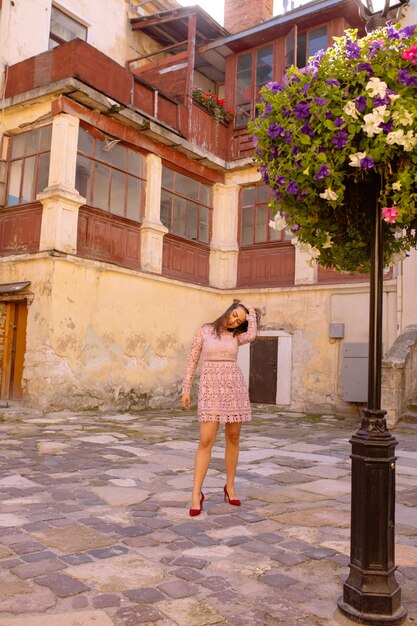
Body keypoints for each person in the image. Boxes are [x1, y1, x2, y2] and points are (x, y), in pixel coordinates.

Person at [181, 300, 260, 517]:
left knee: (233, 438)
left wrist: (250, 313)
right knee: (206, 440)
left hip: (234, 388)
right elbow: (192, 360)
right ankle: (196, 493)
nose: (234, 320)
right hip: (210, 389)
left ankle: (230, 486)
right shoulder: (205, 331)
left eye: (239, 321)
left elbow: (252, 334)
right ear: (229, 310)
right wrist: (186, 388)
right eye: (235, 314)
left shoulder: (237, 336)